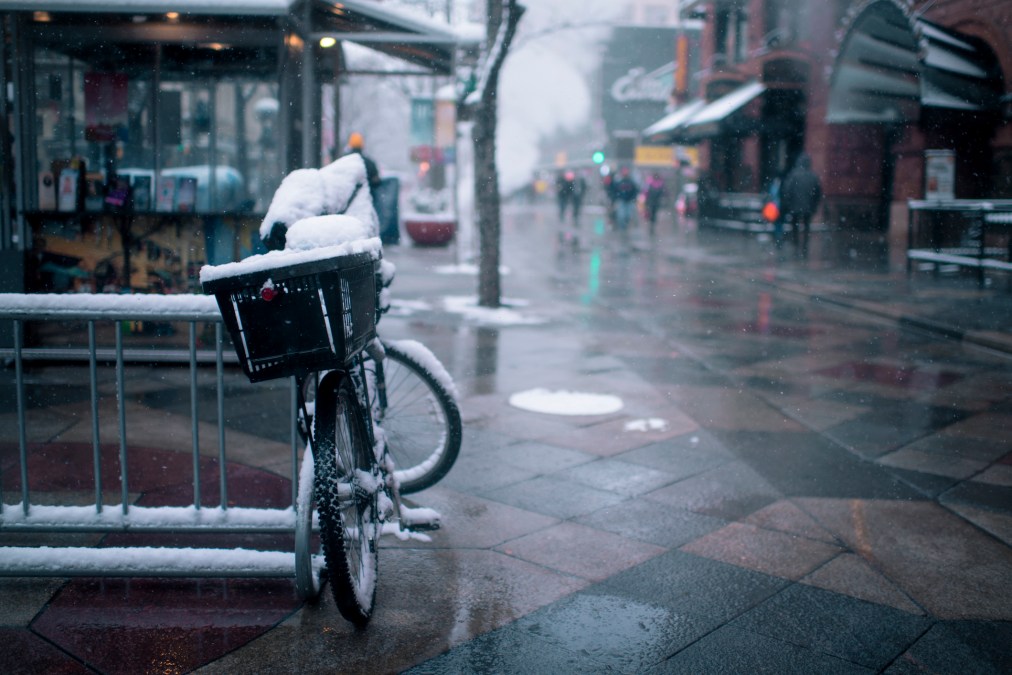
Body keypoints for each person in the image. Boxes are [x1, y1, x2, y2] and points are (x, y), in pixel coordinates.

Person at [780, 154, 822, 255]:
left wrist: (787, 204)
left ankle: (796, 245)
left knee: (795, 226)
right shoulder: (813, 176)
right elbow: (818, 193)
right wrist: (814, 206)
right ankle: (804, 247)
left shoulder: (793, 175)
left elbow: (786, 191)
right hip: (808, 207)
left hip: (795, 207)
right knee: (806, 226)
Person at [612, 166, 639, 233]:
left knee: (628, 215)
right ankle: (622, 227)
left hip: (629, 201)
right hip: (622, 200)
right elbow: (615, 191)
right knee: (621, 215)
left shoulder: (631, 182)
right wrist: (616, 198)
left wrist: (633, 198)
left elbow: (635, 191)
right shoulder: (619, 182)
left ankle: (625, 225)